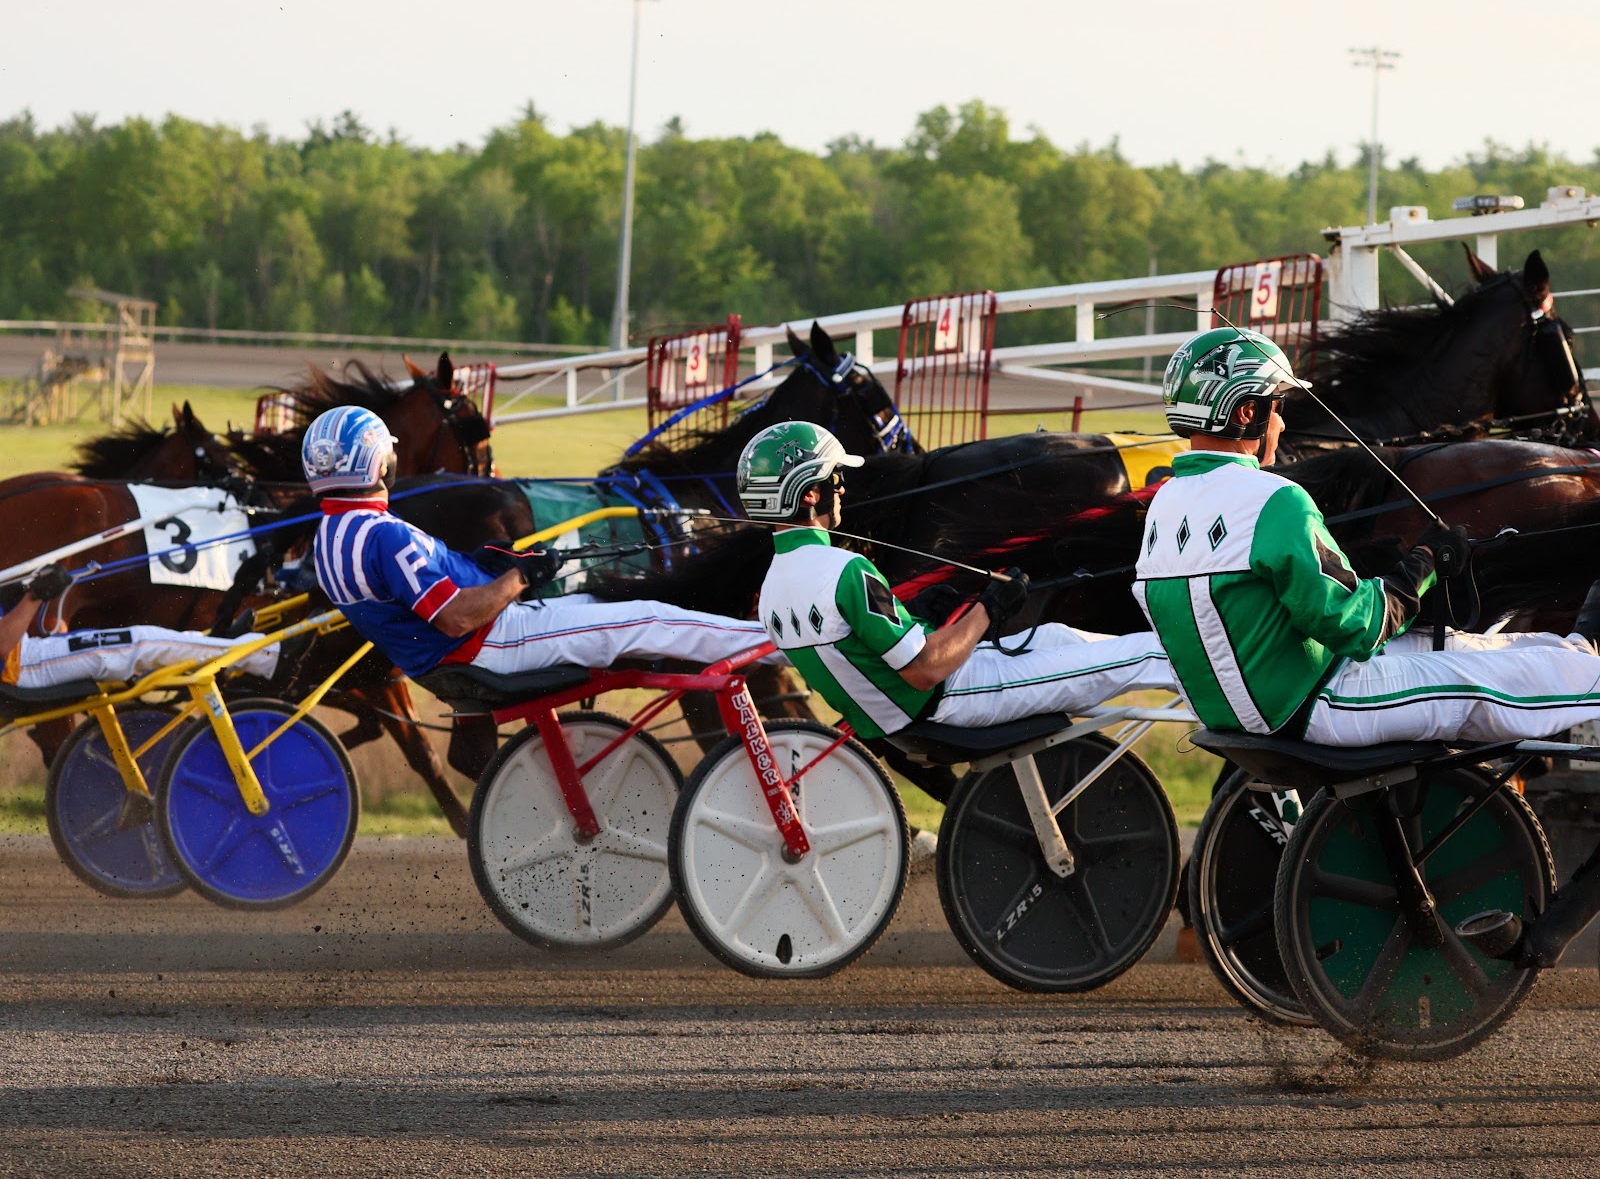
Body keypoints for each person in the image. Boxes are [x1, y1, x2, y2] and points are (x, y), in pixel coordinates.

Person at [1133, 326, 1600, 746]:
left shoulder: (1163, 505)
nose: (1282, 426)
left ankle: (1574, 652)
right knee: (1481, 682)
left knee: (1458, 645)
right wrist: (1419, 567)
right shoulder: (1274, 499)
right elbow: (1355, 626)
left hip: (1248, 706)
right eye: (1278, 408)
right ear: (1247, 412)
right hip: (1318, 705)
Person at [739, 420, 1175, 738]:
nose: (842, 488)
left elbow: (874, 647)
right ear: (808, 493)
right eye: (835, 478)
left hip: (897, 714)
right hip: (954, 698)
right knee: (1147, 650)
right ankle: (1239, 721)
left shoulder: (772, 591)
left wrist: (922, 618)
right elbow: (926, 669)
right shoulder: (845, 571)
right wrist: (988, 607)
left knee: (1058, 636)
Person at [303, 405, 765, 681]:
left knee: (608, 597)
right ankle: (776, 645)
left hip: (477, 643)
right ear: (378, 466)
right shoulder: (385, 534)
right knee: (649, 620)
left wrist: (483, 562)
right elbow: (457, 617)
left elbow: (424, 590)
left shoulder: (330, 538)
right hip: (494, 641)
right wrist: (518, 577)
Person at [0, 564, 279, 690]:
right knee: (141, 643)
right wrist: (34, 596)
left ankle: (220, 648)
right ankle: (263, 656)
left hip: (30, 656)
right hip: (24, 666)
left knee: (142, 641)